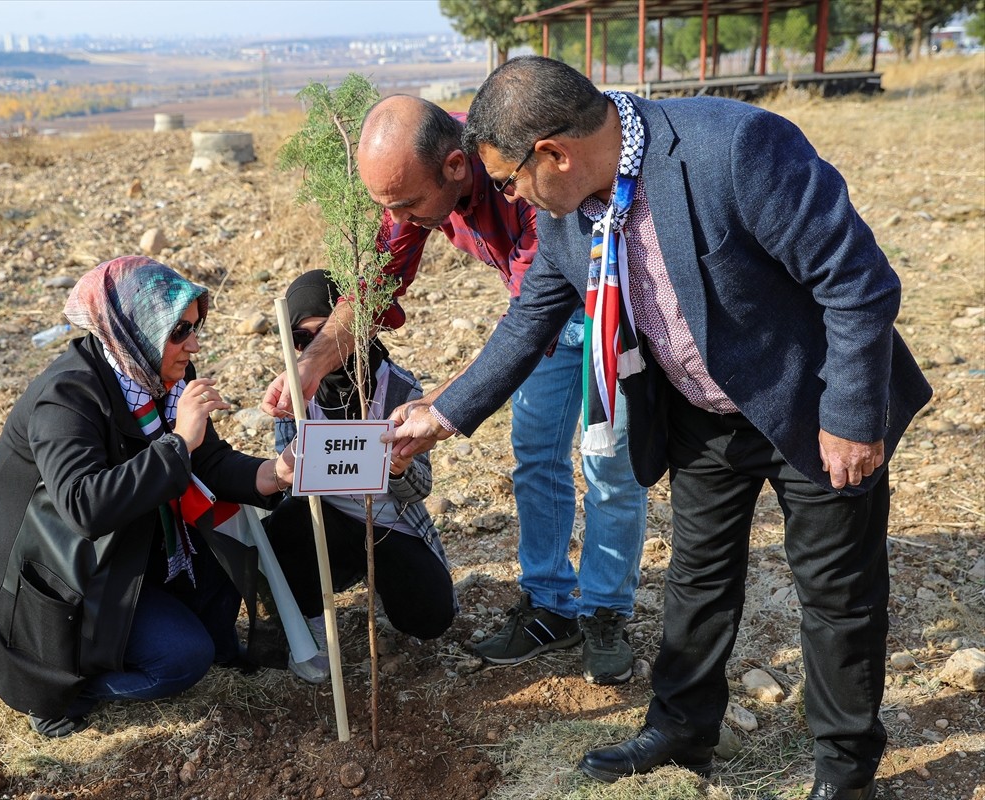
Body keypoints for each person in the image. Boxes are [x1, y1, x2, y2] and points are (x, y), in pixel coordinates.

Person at [387, 57, 931, 800]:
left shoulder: (734, 148)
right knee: (698, 581)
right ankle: (681, 731)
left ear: (554, 152)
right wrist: (441, 415)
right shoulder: (568, 213)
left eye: (509, 180)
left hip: (812, 407)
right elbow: (530, 320)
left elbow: (858, 281)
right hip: (701, 415)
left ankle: (845, 768)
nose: (509, 197)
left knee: (836, 594)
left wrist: (850, 415)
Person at [261, 94, 648, 683]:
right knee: (537, 459)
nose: (405, 219)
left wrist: (441, 409)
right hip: (541, 315)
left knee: (609, 466)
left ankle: (604, 614)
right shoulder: (418, 183)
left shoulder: (522, 178)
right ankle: (550, 607)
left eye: (410, 205)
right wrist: (312, 362)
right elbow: (375, 282)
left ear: (457, 166)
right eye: (391, 207)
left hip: (612, 308)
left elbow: (532, 314)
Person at [0, 256, 296, 737]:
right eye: (179, 332)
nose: (193, 344)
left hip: (126, 550)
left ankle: (165, 627)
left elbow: (208, 462)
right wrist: (178, 444)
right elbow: (84, 506)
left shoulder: (159, 375)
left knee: (229, 556)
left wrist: (274, 473)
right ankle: (71, 690)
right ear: (137, 331)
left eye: (195, 328)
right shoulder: (68, 396)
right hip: (64, 575)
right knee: (182, 661)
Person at [262, 270, 456, 683]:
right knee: (284, 525)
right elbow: (285, 475)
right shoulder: (292, 392)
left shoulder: (399, 388)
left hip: (389, 526)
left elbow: (422, 488)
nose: (317, 349)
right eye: (302, 340)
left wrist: (397, 470)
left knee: (431, 619)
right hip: (323, 522)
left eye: (326, 335)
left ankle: (386, 587)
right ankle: (309, 624)